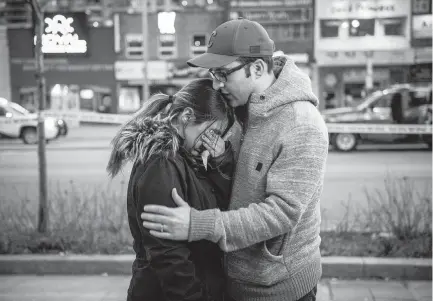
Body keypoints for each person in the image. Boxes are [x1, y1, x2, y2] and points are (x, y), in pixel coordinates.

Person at [140, 18, 329, 301]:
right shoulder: (240, 108)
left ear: (256, 68)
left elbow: (282, 212)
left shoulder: (301, 124)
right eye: (213, 74)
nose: (216, 85)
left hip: (278, 289)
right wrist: (222, 160)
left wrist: (199, 224)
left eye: (223, 74)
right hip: (235, 281)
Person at [106, 78, 241, 301]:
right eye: (212, 131)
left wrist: (220, 162)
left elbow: (220, 204)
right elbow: (167, 254)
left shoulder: (185, 157)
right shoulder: (162, 163)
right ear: (187, 116)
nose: (212, 141)